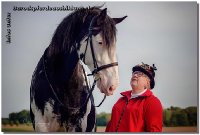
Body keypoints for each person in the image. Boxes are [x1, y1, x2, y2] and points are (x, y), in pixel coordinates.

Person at [105, 63, 162, 132]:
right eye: (134, 73)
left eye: (140, 74)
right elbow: (111, 124)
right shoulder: (121, 99)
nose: (135, 75)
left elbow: (154, 131)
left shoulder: (152, 102)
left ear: (148, 82)